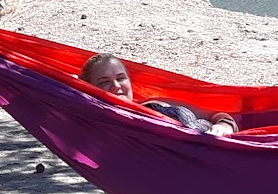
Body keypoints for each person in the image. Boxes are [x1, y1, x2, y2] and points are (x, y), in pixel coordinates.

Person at [81, 52, 237, 136]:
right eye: (103, 82)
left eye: (121, 78)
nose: (115, 86)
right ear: (90, 88)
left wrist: (225, 125)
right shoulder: (104, 125)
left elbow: (218, 115)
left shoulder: (156, 101)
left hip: (226, 144)